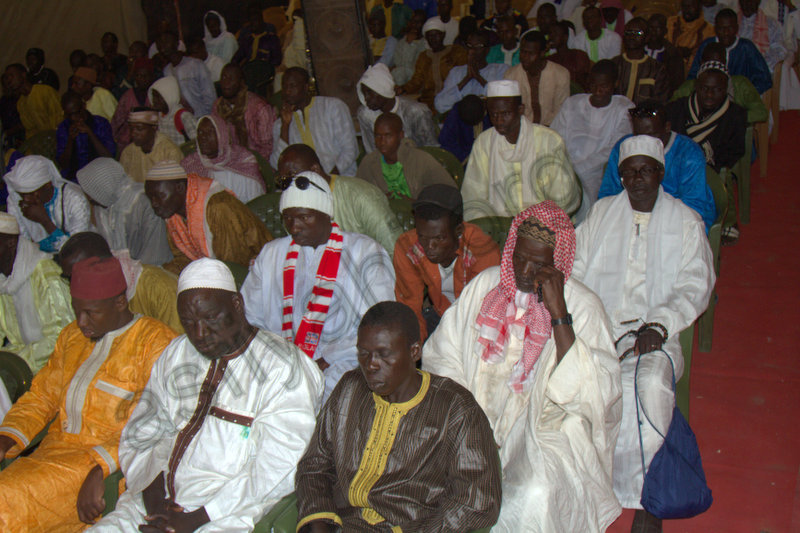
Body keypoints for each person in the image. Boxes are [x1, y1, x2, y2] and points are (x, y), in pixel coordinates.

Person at [422, 201, 623, 532]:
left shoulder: (583, 307)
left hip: (545, 429)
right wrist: (467, 421)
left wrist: (559, 314)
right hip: (471, 423)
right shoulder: (486, 287)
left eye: (540, 264)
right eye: (519, 258)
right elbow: (443, 356)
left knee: (534, 494)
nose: (526, 272)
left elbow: (594, 394)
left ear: (558, 264)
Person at [90, 258, 323, 532]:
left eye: (210, 318)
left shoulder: (284, 368)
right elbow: (143, 430)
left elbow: (278, 467)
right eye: (188, 322)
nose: (199, 334)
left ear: (237, 304)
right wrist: (155, 507)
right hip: (151, 503)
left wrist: (194, 519)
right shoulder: (178, 353)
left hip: (223, 515)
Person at [572, 135, 714, 533]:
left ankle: (646, 498)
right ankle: (592, 487)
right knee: (582, 386)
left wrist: (661, 322)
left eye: (646, 170)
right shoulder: (600, 214)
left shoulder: (685, 220)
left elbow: (696, 282)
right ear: (620, 176)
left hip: (657, 332)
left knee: (649, 385)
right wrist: (587, 322)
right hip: (601, 329)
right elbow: (576, 273)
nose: (638, 179)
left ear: (660, 173)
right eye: (629, 171)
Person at [0, 256, 177, 531]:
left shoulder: (156, 343)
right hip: (47, 458)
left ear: (120, 302)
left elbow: (154, 425)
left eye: (90, 313)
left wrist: (101, 466)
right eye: (76, 310)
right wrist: (6, 437)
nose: (81, 322)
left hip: (95, 465)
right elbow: (42, 397)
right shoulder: (71, 337)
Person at [295, 301, 502, 532]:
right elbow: (315, 464)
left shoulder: (455, 409)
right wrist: (318, 521)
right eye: (363, 353)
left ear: (414, 351)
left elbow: (479, 501)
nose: (371, 365)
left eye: (384, 355)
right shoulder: (350, 389)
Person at [241, 171, 395, 399]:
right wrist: (279, 357)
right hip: (282, 360)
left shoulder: (365, 252)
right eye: (288, 218)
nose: (294, 227)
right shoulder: (272, 254)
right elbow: (250, 317)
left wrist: (327, 358)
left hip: (347, 361)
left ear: (326, 215)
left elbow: (381, 323)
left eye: (304, 217)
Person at [462, 80, 581, 220]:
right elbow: (473, 197)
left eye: (505, 113)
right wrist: (491, 229)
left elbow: (562, 199)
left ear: (520, 110)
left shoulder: (549, 141)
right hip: (499, 229)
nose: (499, 120)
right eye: (493, 115)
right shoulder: (483, 143)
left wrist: (531, 228)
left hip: (543, 228)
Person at [394, 185, 500, 338]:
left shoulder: (482, 251)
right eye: (422, 236)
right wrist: (414, 349)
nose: (429, 247)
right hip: (441, 316)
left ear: (458, 231)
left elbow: (483, 314)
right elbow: (410, 306)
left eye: (439, 238)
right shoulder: (408, 247)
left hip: (477, 325)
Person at [599, 100, 717, 231]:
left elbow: (694, 204)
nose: (644, 141)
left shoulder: (688, 153)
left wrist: (651, 223)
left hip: (677, 216)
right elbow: (608, 193)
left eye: (651, 135)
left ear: (667, 127)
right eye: (638, 134)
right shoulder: (623, 147)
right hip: (633, 214)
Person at [144, 161, 272, 274]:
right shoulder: (172, 214)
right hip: (216, 273)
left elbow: (232, 266)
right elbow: (183, 260)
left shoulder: (217, 206)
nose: (154, 204)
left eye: (160, 196)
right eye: (150, 198)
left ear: (180, 188)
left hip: (256, 274)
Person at [277, 144, 402, 255]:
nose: (289, 186)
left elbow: (395, 250)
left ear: (315, 170)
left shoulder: (361, 196)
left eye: (294, 177)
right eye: (283, 181)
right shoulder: (291, 209)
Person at [56, 232, 183, 333]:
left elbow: (178, 349)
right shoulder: (74, 329)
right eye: (69, 278)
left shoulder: (161, 289)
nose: (74, 284)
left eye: (76, 276)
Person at [551, 60, 634, 209]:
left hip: (598, 174)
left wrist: (577, 170)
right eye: (594, 85)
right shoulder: (572, 103)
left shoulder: (623, 108)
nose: (597, 91)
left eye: (604, 86)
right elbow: (555, 138)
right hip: (563, 168)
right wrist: (563, 168)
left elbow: (613, 149)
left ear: (615, 84)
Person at [0, 212, 73, 373]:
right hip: (21, 363)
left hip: (57, 368)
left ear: (11, 242)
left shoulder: (47, 275)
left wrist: (14, 361)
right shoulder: (3, 278)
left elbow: (62, 338)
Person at [75, 158, 172, 266]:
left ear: (102, 187)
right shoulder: (103, 204)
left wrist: (132, 276)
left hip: (152, 272)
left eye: (90, 193)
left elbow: (154, 255)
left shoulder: (144, 203)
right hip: (124, 271)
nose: (89, 198)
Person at [270, 67, 358, 175]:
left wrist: (328, 178)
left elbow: (350, 150)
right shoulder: (279, 125)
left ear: (306, 87)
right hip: (304, 186)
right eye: (284, 86)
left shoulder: (332, 107)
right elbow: (276, 164)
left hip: (340, 179)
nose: (287, 91)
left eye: (292, 86)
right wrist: (285, 126)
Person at [667, 60, 747, 171]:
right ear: (696, 87)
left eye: (717, 89)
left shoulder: (735, 115)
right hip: (676, 168)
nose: (710, 95)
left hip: (711, 171)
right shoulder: (677, 108)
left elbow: (734, 151)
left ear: (725, 90)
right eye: (704, 88)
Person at [357, 112, 455, 199]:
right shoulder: (369, 163)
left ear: (401, 135)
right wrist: (379, 200)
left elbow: (450, 192)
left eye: (388, 136)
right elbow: (358, 195)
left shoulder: (421, 160)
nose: (382, 142)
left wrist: (416, 204)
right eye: (378, 136)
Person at [4, 155, 90, 253]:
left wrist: (45, 221)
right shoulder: (16, 199)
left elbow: (77, 249)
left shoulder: (75, 199)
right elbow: (22, 244)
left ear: (48, 185)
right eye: (22, 194)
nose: (26, 199)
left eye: (31, 193)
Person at [672, 41, 768, 123]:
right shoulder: (689, 87)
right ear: (702, 64)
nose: (714, 68)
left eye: (718, 64)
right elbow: (671, 109)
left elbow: (761, 112)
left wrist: (728, 118)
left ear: (725, 63)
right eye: (709, 63)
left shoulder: (740, 84)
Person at [181, 114, 266, 203]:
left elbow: (257, 203)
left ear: (221, 135)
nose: (203, 137)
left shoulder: (243, 161)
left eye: (209, 132)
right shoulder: (190, 165)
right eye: (200, 132)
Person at [357, 62, 439, 153]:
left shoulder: (416, 112)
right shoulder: (365, 114)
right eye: (364, 93)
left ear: (383, 90)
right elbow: (372, 150)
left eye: (369, 93)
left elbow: (431, 149)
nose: (366, 98)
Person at [688, 8, 773, 93]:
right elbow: (693, 76)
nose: (726, 32)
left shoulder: (747, 48)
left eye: (730, 28)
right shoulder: (707, 46)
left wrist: (744, 93)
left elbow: (764, 80)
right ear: (715, 29)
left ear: (737, 28)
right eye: (721, 28)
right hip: (709, 98)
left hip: (740, 100)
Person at [504, 30, 571, 125]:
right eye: (523, 52)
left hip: (553, 129)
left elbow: (561, 112)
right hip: (522, 130)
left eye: (531, 54)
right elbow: (509, 111)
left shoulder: (560, 74)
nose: (525, 57)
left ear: (542, 53)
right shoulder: (511, 75)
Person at [400, 18, 468, 111]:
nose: (433, 39)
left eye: (436, 35)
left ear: (443, 35)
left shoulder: (457, 52)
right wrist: (403, 89)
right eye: (430, 36)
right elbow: (417, 80)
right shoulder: (424, 57)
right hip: (428, 100)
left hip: (452, 100)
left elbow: (464, 75)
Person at [435, 30, 510, 113]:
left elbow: (502, 101)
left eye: (478, 46)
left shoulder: (500, 70)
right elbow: (439, 105)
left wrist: (478, 77)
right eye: (469, 46)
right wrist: (465, 80)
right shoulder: (456, 72)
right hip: (461, 122)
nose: (472, 51)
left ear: (487, 50)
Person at [213, 63, 277, 158]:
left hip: (258, 162)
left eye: (231, 79)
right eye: (224, 77)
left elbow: (268, 149)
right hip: (229, 160)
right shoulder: (218, 106)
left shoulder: (259, 108)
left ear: (241, 82)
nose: (226, 82)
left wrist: (245, 163)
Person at [56, 91, 116, 181]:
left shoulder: (100, 123)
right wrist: (70, 140)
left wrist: (90, 133)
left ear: (84, 106)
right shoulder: (63, 127)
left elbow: (109, 157)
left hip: (100, 176)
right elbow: (63, 165)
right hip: (74, 178)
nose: (73, 118)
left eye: (76, 113)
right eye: (68, 115)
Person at [612, 18, 671, 104]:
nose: (632, 37)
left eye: (638, 33)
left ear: (647, 38)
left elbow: (660, 101)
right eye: (629, 33)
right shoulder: (613, 64)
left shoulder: (657, 69)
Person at [159, 31, 217, 117]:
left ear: (176, 43)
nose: (163, 47)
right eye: (159, 44)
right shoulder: (167, 71)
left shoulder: (195, 65)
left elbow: (210, 97)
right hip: (182, 121)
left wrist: (205, 117)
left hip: (202, 117)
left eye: (166, 42)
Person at [119, 108, 184, 183]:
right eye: (131, 128)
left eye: (139, 129)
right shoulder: (128, 152)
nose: (133, 133)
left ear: (154, 128)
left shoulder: (170, 152)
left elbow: (175, 185)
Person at [4, 63, 62, 139]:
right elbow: (30, 132)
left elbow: (59, 121)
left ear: (23, 75)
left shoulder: (45, 92)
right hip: (39, 145)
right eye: (7, 78)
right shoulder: (21, 104)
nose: (9, 80)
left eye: (11, 76)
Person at [110, 57, 154, 150]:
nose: (142, 79)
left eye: (146, 75)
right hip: (128, 143)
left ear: (152, 76)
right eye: (139, 75)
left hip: (153, 143)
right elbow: (117, 121)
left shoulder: (157, 95)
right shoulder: (127, 96)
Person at [438, 93, 490, 162]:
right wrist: (464, 157)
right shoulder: (457, 111)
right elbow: (446, 141)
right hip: (463, 156)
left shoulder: (492, 114)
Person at [148, 75, 197, 146]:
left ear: (169, 96)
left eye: (158, 97)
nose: (154, 100)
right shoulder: (158, 118)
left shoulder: (184, 117)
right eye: (153, 97)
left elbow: (196, 142)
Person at [645, 14, 688, 95]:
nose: (653, 31)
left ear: (665, 31)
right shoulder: (639, 50)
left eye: (658, 28)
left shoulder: (672, 54)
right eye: (651, 28)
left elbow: (676, 83)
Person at [668, 0, 716, 70]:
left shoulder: (709, 31)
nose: (687, 9)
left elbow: (706, 58)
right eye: (684, 6)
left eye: (691, 6)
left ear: (699, 6)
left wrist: (689, 54)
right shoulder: (670, 23)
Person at [232, 4, 283, 68]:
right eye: (251, 21)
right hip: (249, 70)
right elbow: (237, 57)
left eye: (255, 21)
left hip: (265, 70)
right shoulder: (248, 39)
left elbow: (277, 60)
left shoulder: (272, 39)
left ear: (261, 21)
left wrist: (263, 66)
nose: (252, 24)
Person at [547, 20, 593, 90]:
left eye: (555, 34)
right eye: (550, 34)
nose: (551, 37)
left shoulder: (579, 56)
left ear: (565, 38)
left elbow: (585, 83)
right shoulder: (549, 60)